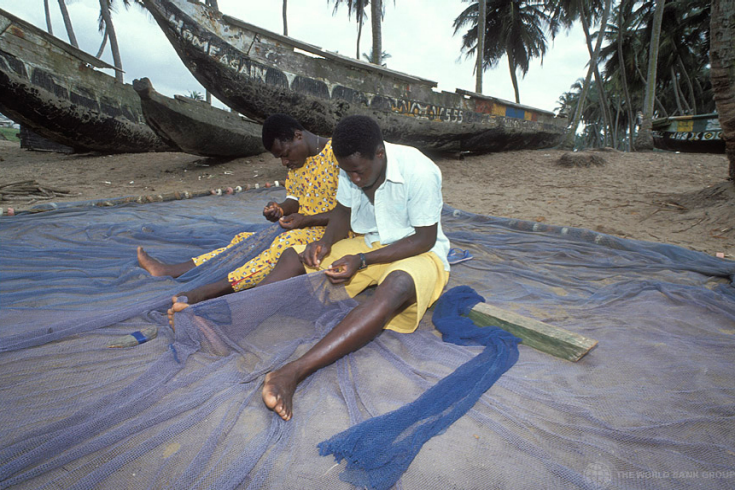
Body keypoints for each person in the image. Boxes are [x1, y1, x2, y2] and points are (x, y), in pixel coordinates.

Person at [254, 115, 451, 421]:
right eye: (348, 173)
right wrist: (326, 243)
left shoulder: (421, 171)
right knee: (297, 257)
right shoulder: (349, 167)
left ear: (380, 154)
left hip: (419, 250)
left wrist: (362, 261)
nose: (354, 179)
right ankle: (235, 316)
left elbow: (424, 239)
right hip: (371, 242)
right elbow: (342, 213)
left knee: (393, 289)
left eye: (359, 172)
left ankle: (292, 373)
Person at [137, 114, 340, 316]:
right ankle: (172, 270)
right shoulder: (298, 162)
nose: (284, 162)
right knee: (246, 242)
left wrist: (306, 220)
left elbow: (348, 213)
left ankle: (211, 291)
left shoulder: (338, 155)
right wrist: (280, 208)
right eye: (280, 158)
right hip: (301, 225)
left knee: (281, 246)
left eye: (285, 154)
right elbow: (295, 200)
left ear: (298, 136)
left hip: (331, 229)